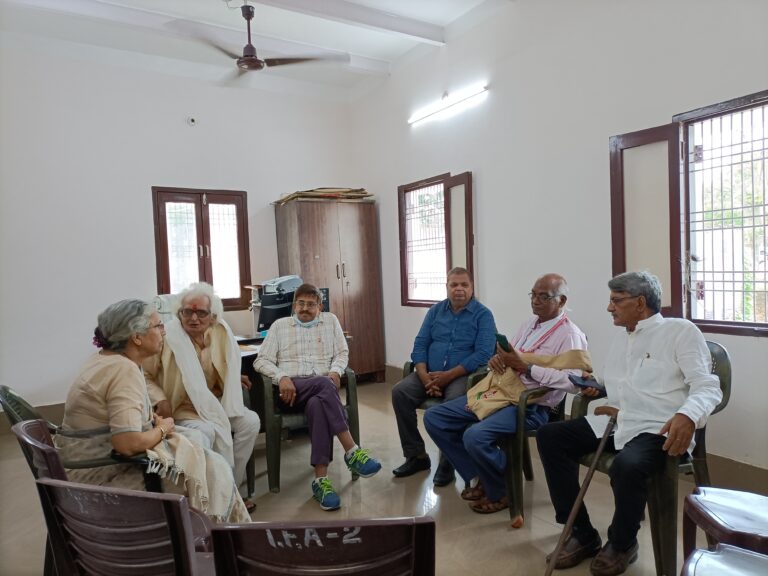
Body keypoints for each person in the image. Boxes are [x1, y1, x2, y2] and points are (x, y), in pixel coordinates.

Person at [537, 271, 722, 576]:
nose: (609, 307)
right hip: (619, 421)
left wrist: (688, 415)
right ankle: (582, 533)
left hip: (658, 427)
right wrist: (597, 387)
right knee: (550, 436)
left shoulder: (680, 331)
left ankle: (622, 543)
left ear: (640, 302)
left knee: (627, 465)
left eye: (616, 300)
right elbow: (624, 384)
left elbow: (707, 386)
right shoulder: (622, 338)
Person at [56, 299, 250, 523]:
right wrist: (162, 428)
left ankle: (222, 530)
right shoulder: (123, 370)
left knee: (206, 458)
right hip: (103, 476)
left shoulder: (106, 359)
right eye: (158, 326)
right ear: (136, 337)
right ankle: (221, 534)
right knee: (213, 474)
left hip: (86, 463)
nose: (163, 332)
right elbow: (127, 444)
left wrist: (150, 420)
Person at [423, 273, 589, 521]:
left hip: (530, 405)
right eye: (533, 295)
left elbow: (573, 383)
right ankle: (484, 476)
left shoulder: (570, 335)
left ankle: (501, 490)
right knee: (435, 417)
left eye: (543, 297)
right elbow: (510, 356)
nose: (535, 301)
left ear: (561, 300)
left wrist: (528, 368)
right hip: (500, 393)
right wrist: (497, 360)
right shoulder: (528, 324)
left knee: (474, 436)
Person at [252, 283, 381, 511]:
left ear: (319, 307)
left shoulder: (330, 321)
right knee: (323, 384)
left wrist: (336, 371)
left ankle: (321, 482)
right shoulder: (280, 326)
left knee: (318, 403)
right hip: (291, 392)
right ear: (294, 305)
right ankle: (352, 450)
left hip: (322, 392)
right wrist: (281, 376)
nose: (305, 308)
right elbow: (260, 360)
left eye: (311, 304)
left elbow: (342, 352)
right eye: (301, 303)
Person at [144, 282, 260, 512]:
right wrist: (160, 399)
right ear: (179, 313)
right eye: (187, 312)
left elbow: (219, 367)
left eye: (201, 313)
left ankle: (230, 490)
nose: (194, 318)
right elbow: (144, 374)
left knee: (250, 422)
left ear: (212, 316)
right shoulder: (167, 337)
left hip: (215, 404)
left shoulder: (220, 332)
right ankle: (208, 498)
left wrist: (231, 378)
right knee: (206, 431)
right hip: (181, 408)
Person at [391, 267, 497, 486]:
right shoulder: (435, 311)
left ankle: (447, 462)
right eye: (453, 284)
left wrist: (447, 376)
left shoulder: (483, 315)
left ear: (472, 287)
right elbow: (420, 344)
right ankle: (416, 456)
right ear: (446, 287)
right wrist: (424, 377)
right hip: (429, 373)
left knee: (452, 404)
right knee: (400, 392)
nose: (459, 289)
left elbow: (483, 354)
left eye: (464, 285)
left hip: (462, 376)